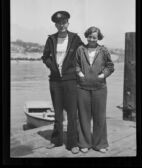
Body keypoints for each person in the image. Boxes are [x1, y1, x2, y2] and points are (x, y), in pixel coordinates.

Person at [41, 11, 83, 154]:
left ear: (68, 23)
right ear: (55, 24)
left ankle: (73, 143)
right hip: (54, 81)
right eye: (59, 23)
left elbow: (83, 54)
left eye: (64, 22)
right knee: (57, 112)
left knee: (72, 113)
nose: (61, 25)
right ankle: (56, 140)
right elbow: (45, 56)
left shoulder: (75, 38)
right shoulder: (51, 39)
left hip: (71, 80)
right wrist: (51, 66)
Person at [76, 26, 114, 153]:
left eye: (94, 37)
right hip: (82, 87)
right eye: (90, 36)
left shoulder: (103, 50)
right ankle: (84, 143)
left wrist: (102, 75)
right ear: (86, 36)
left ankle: (100, 144)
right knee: (83, 116)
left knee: (100, 116)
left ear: (98, 38)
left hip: (100, 88)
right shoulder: (80, 49)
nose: (92, 39)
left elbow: (110, 66)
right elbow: (75, 65)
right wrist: (81, 75)